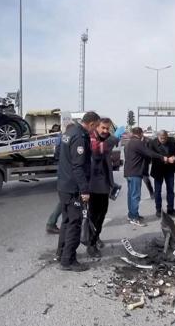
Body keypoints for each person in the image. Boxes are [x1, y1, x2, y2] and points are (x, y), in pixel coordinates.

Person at [56, 111, 100, 272]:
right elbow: (78, 166)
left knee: (66, 221)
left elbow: (57, 154)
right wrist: (84, 189)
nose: (94, 130)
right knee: (74, 223)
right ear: (92, 124)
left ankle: (61, 253)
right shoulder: (80, 136)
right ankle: (68, 260)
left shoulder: (68, 131)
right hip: (73, 187)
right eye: (95, 127)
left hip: (63, 184)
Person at [123, 127, 173, 226]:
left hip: (128, 172)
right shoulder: (138, 143)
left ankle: (131, 214)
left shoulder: (128, 143)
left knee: (131, 195)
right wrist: (163, 157)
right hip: (135, 173)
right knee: (135, 196)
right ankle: (134, 217)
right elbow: (150, 153)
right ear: (141, 133)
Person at [87, 118, 115, 258]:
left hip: (104, 184)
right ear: (96, 127)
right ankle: (91, 244)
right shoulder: (91, 139)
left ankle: (96, 237)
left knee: (102, 214)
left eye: (107, 128)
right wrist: (111, 141)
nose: (105, 131)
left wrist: (112, 183)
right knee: (92, 216)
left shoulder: (107, 139)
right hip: (92, 185)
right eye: (103, 128)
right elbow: (96, 150)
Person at [149, 130, 175, 218]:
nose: (163, 140)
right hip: (158, 170)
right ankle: (158, 210)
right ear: (158, 137)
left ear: (167, 136)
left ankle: (171, 209)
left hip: (169, 169)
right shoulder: (153, 142)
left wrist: (174, 157)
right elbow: (151, 153)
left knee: (170, 190)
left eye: (165, 138)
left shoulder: (171, 141)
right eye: (161, 138)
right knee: (158, 191)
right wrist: (164, 158)